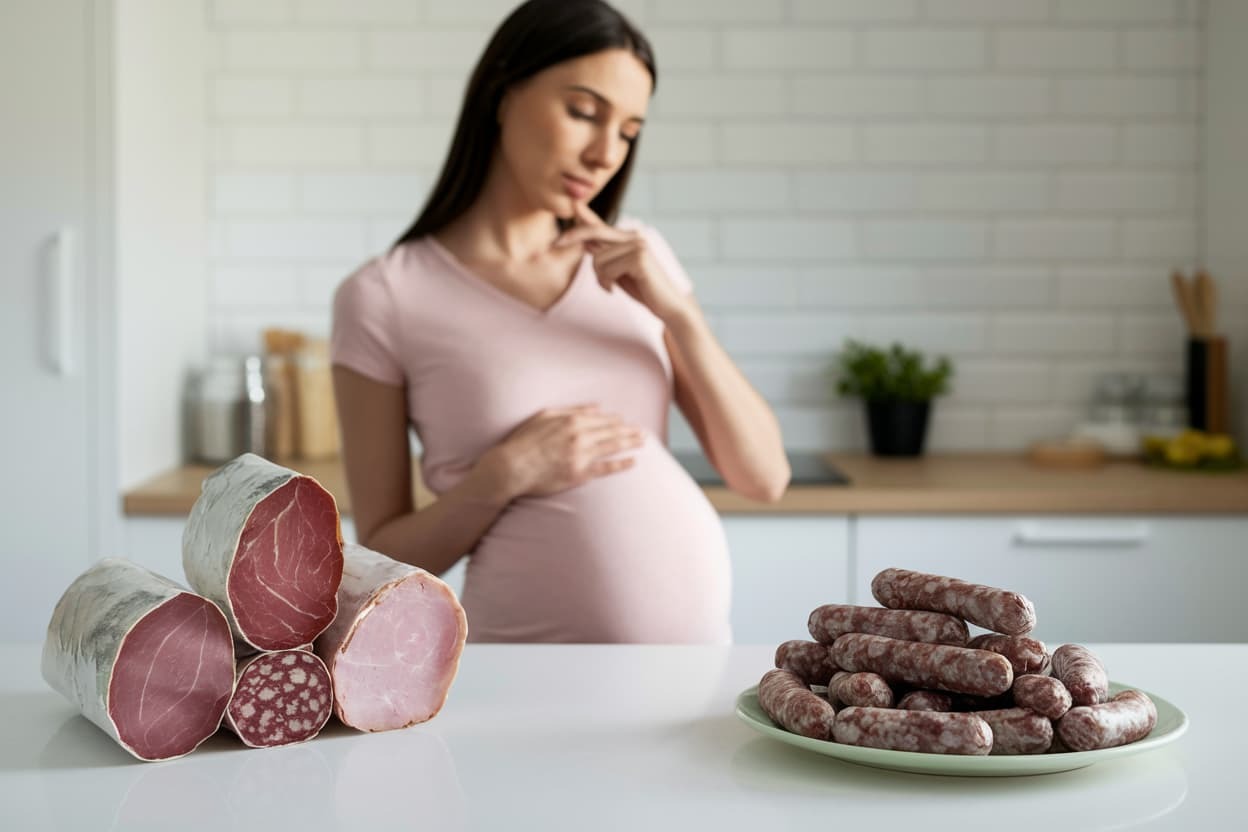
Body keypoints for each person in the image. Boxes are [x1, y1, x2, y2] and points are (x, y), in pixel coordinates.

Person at [329, 0, 789, 643]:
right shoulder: (385, 295)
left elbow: (764, 476)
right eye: (583, 112)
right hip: (527, 674)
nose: (606, 153)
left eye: (628, 131)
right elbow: (379, 561)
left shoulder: (639, 263)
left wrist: (677, 314)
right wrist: (498, 480)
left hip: (692, 667)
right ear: (502, 91)